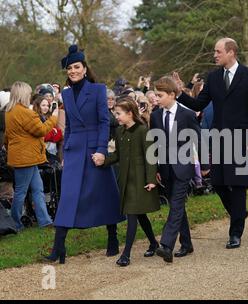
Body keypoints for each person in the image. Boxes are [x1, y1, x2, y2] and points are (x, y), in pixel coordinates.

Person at [175, 38, 248, 249]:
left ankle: (235, 232)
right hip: (218, 139)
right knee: (218, 182)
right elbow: (199, 103)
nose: (214, 55)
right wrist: (180, 93)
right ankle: (239, 214)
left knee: (238, 184)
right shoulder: (213, 77)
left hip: (242, 139)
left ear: (231, 52)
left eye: (218, 51)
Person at [44, 45, 124, 264]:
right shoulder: (66, 94)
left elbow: (104, 122)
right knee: (68, 198)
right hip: (74, 150)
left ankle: (112, 237)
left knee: (105, 194)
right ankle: (58, 247)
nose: (72, 71)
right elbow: (68, 126)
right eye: (69, 68)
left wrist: (101, 151)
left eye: (76, 66)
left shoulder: (98, 90)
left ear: (85, 68)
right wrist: (65, 150)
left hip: (94, 150)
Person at [150, 76, 209, 263]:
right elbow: (155, 145)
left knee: (175, 205)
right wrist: (156, 168)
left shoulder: (187, 115)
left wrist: (206, 165)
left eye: (159, 95)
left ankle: (166, 245)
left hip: (183, 168)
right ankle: (187, 243)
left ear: (172, 95)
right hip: (165, 169)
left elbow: (199, 140)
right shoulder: (155, 116)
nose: (156, 99)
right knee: (178, 206)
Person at [96, 97, 160, 267]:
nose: (116, 116)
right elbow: (117, 154)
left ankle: (126, 254)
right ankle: (153, 243)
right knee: (139, 214)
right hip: (125, 180)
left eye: (118, 113)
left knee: (132, 214)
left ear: (130, 113)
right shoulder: (120, 131)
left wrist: (151, 179)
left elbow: (150, 157)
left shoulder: (142, 130)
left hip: (140, 181)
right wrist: (104, 161)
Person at [4, 81, 57, 230]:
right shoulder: (24, 112)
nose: (29, 96)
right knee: (21, 191)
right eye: (28, 93)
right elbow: (41, 130)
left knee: (37, 189)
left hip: (24, 157)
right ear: (22, 95)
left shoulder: (10, 111)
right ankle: (15, 222)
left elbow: (8, 136)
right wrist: (53, 117)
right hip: (25, 158)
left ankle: (44, 220)